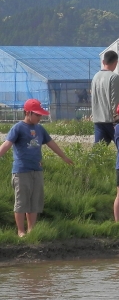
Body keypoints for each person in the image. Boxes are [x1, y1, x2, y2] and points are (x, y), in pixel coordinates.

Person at [0, 99, 73, 237]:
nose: (40, 118)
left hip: (37, 170)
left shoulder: (40, 129)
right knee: (21, 201)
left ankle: (32, 230)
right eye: (37, 115)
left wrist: (64, 157)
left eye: (41, 115)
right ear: (28, 113)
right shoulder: (18, 128)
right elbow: (6, 145)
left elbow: (51, 143)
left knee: (35, 202)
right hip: (21, 170)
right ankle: (21, 231)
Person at [91, 50, 119, 144]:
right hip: (111, 120)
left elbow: (93, 96)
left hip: (98, 120)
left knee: (98, 152)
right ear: (116, 62)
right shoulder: (114, 77)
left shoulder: (95, 77)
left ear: (103, 62)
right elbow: (115, 100)